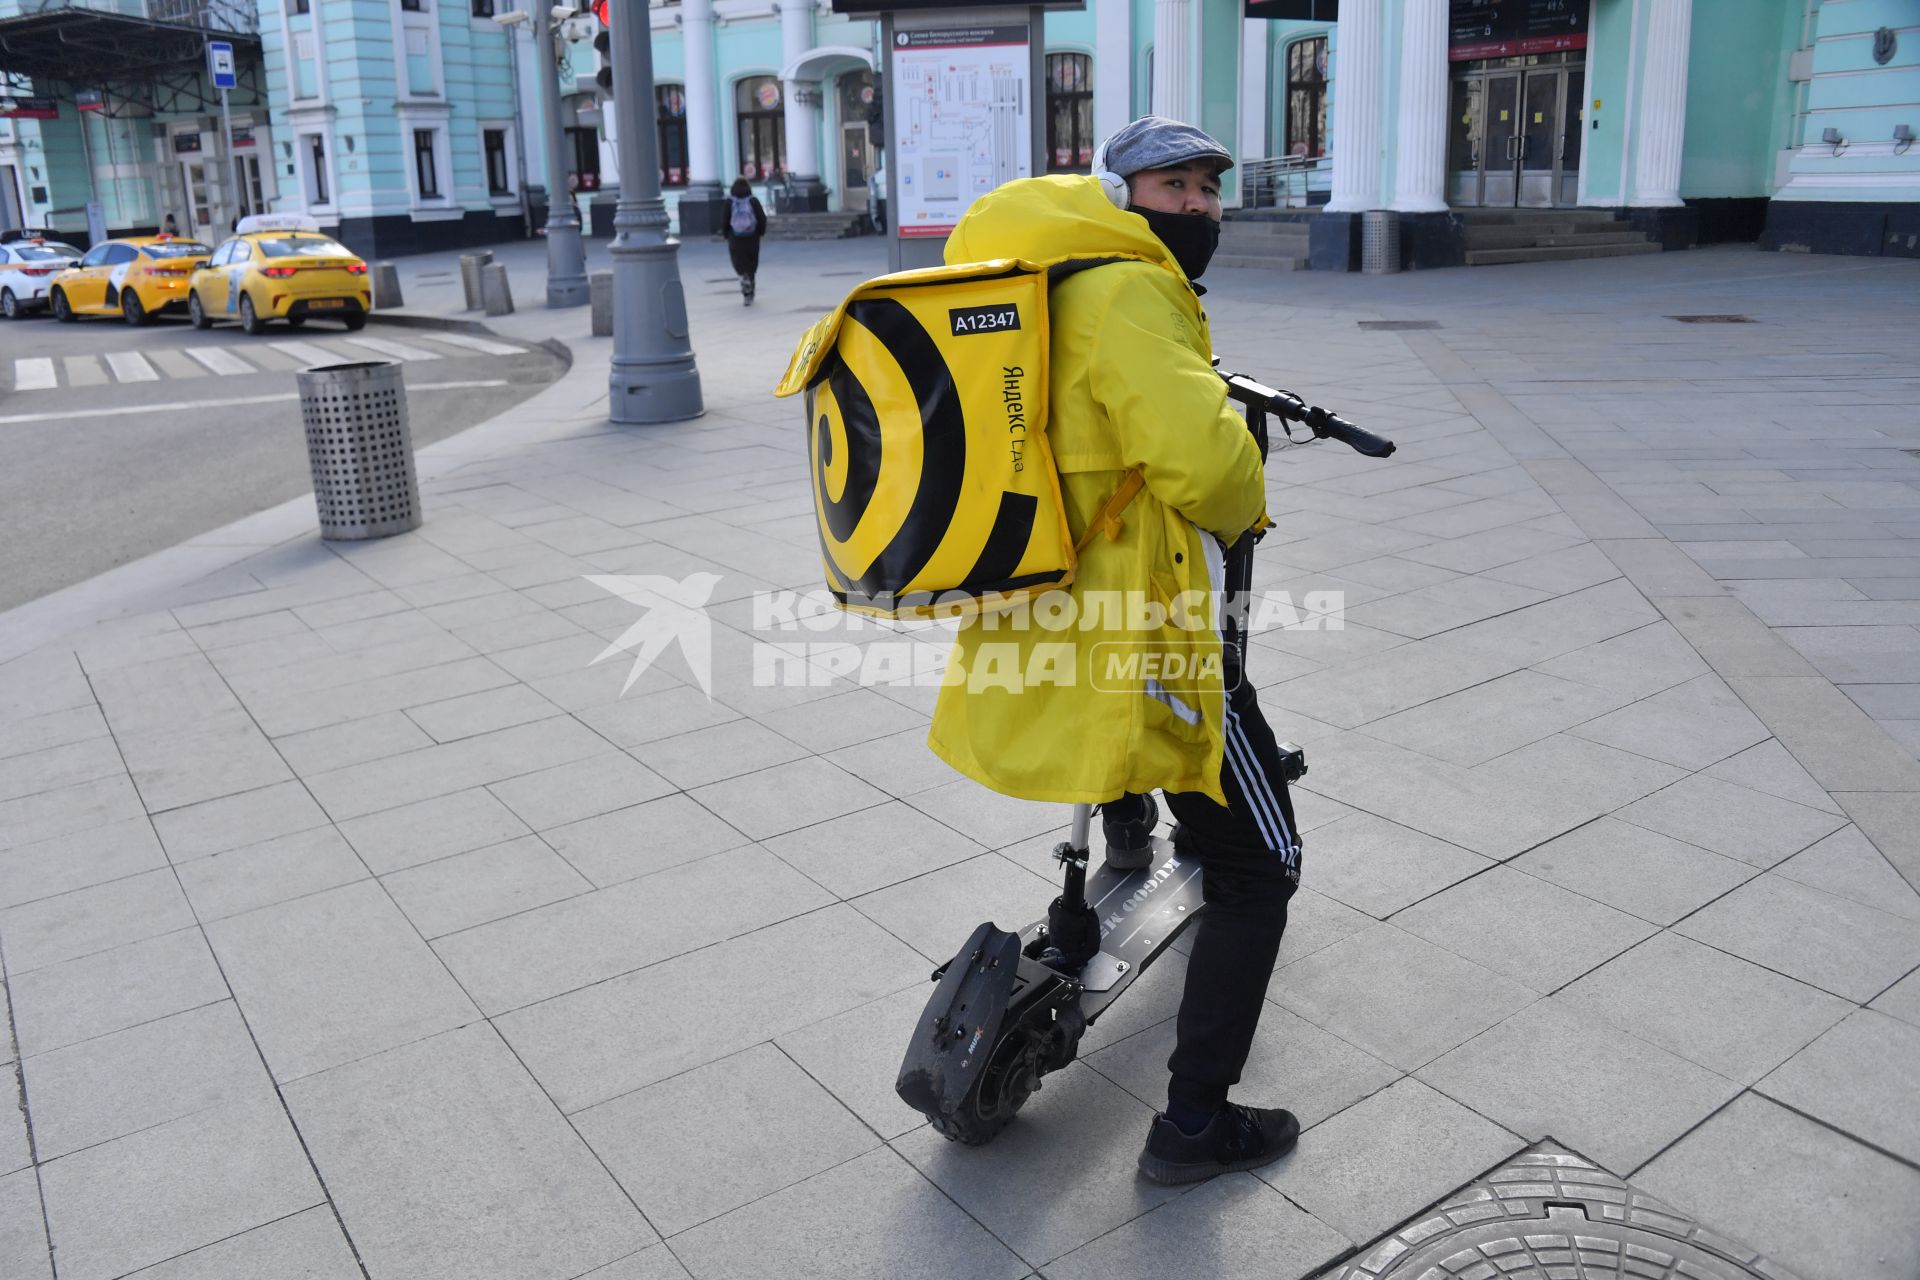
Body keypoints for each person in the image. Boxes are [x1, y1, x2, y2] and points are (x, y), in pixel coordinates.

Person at [927, 116, 1302, 1185]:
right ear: (1119, 195)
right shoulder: (1132, 290)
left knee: (1127, 754)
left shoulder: (1043, 279)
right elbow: (1209, 474)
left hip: (1054, 605)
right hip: (1150, 627)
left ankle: (1132, 830)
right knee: (1262, 864)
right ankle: (1192, 1127)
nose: (1195, 205)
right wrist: (1237, 457)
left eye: (1206, 188)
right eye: (1171, 186)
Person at [722, 177, 767, 305]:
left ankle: (745, 284)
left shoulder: (729, 202)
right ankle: (751, 288)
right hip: (752, 237)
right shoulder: (753, 201)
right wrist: (761, 232)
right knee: (751, 263)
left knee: (739, 263)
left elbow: (724, 220)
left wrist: (726, 235)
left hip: (735, 238)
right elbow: (762, 218)